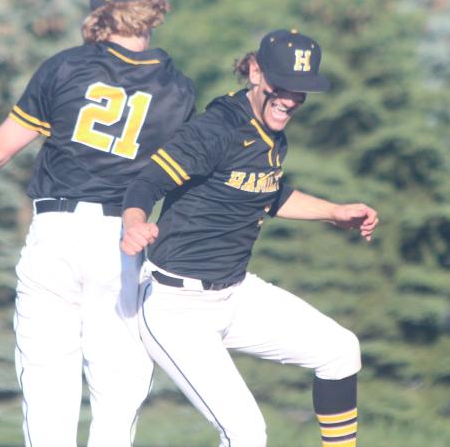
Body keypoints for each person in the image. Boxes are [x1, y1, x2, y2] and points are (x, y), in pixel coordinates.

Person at [0, 0, 195, 446]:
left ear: (98, 18)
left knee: (46, 393)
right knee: (118, 395)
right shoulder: (179, 90)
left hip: (56, 235)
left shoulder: (65, 67)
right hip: (124, 240)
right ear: (151, 11)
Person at [120, 28, 379, 447]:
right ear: (256, 72)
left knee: (339, 350)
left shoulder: (272, 137)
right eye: (282, 86)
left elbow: (269, 191)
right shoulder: (215, 129)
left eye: (302, 91)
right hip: (178, 308)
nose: (291, 99)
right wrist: (134, 223)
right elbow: (145, 185)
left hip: (235, 295)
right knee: (246, 435)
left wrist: (333, 212)